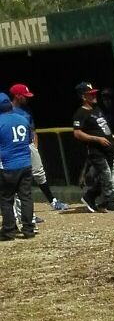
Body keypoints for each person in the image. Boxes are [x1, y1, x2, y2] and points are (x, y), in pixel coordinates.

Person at [7, 84, 69, 215]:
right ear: (17, 96)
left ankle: (52, 201)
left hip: (28, 145)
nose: (27, 98)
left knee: (39, 174)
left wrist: (35, 145)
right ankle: (21, 213)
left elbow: (33, 129)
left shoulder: (26, 110)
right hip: (14, 148)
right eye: (24, 96)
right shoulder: (7, 111)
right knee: (17, 178)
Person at [72, 82, 114, 212]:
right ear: (83, 97)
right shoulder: (80, 113)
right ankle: (110, 203)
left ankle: (89, 196)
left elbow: (105, 128)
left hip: (108, 149)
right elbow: (77, 133)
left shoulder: (97, 109)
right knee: (106, 174)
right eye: (90, 94)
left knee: (105, 177)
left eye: (93, 93)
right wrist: (97, 139)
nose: (94, 96)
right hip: (96, 150)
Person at [0, 92, 37, 240]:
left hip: (8, 165)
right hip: (25, 163)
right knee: (26, 197)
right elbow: (30, 139)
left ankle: (9, 231)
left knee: (6, 199)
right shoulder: (22, 119)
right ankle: (28, 229)